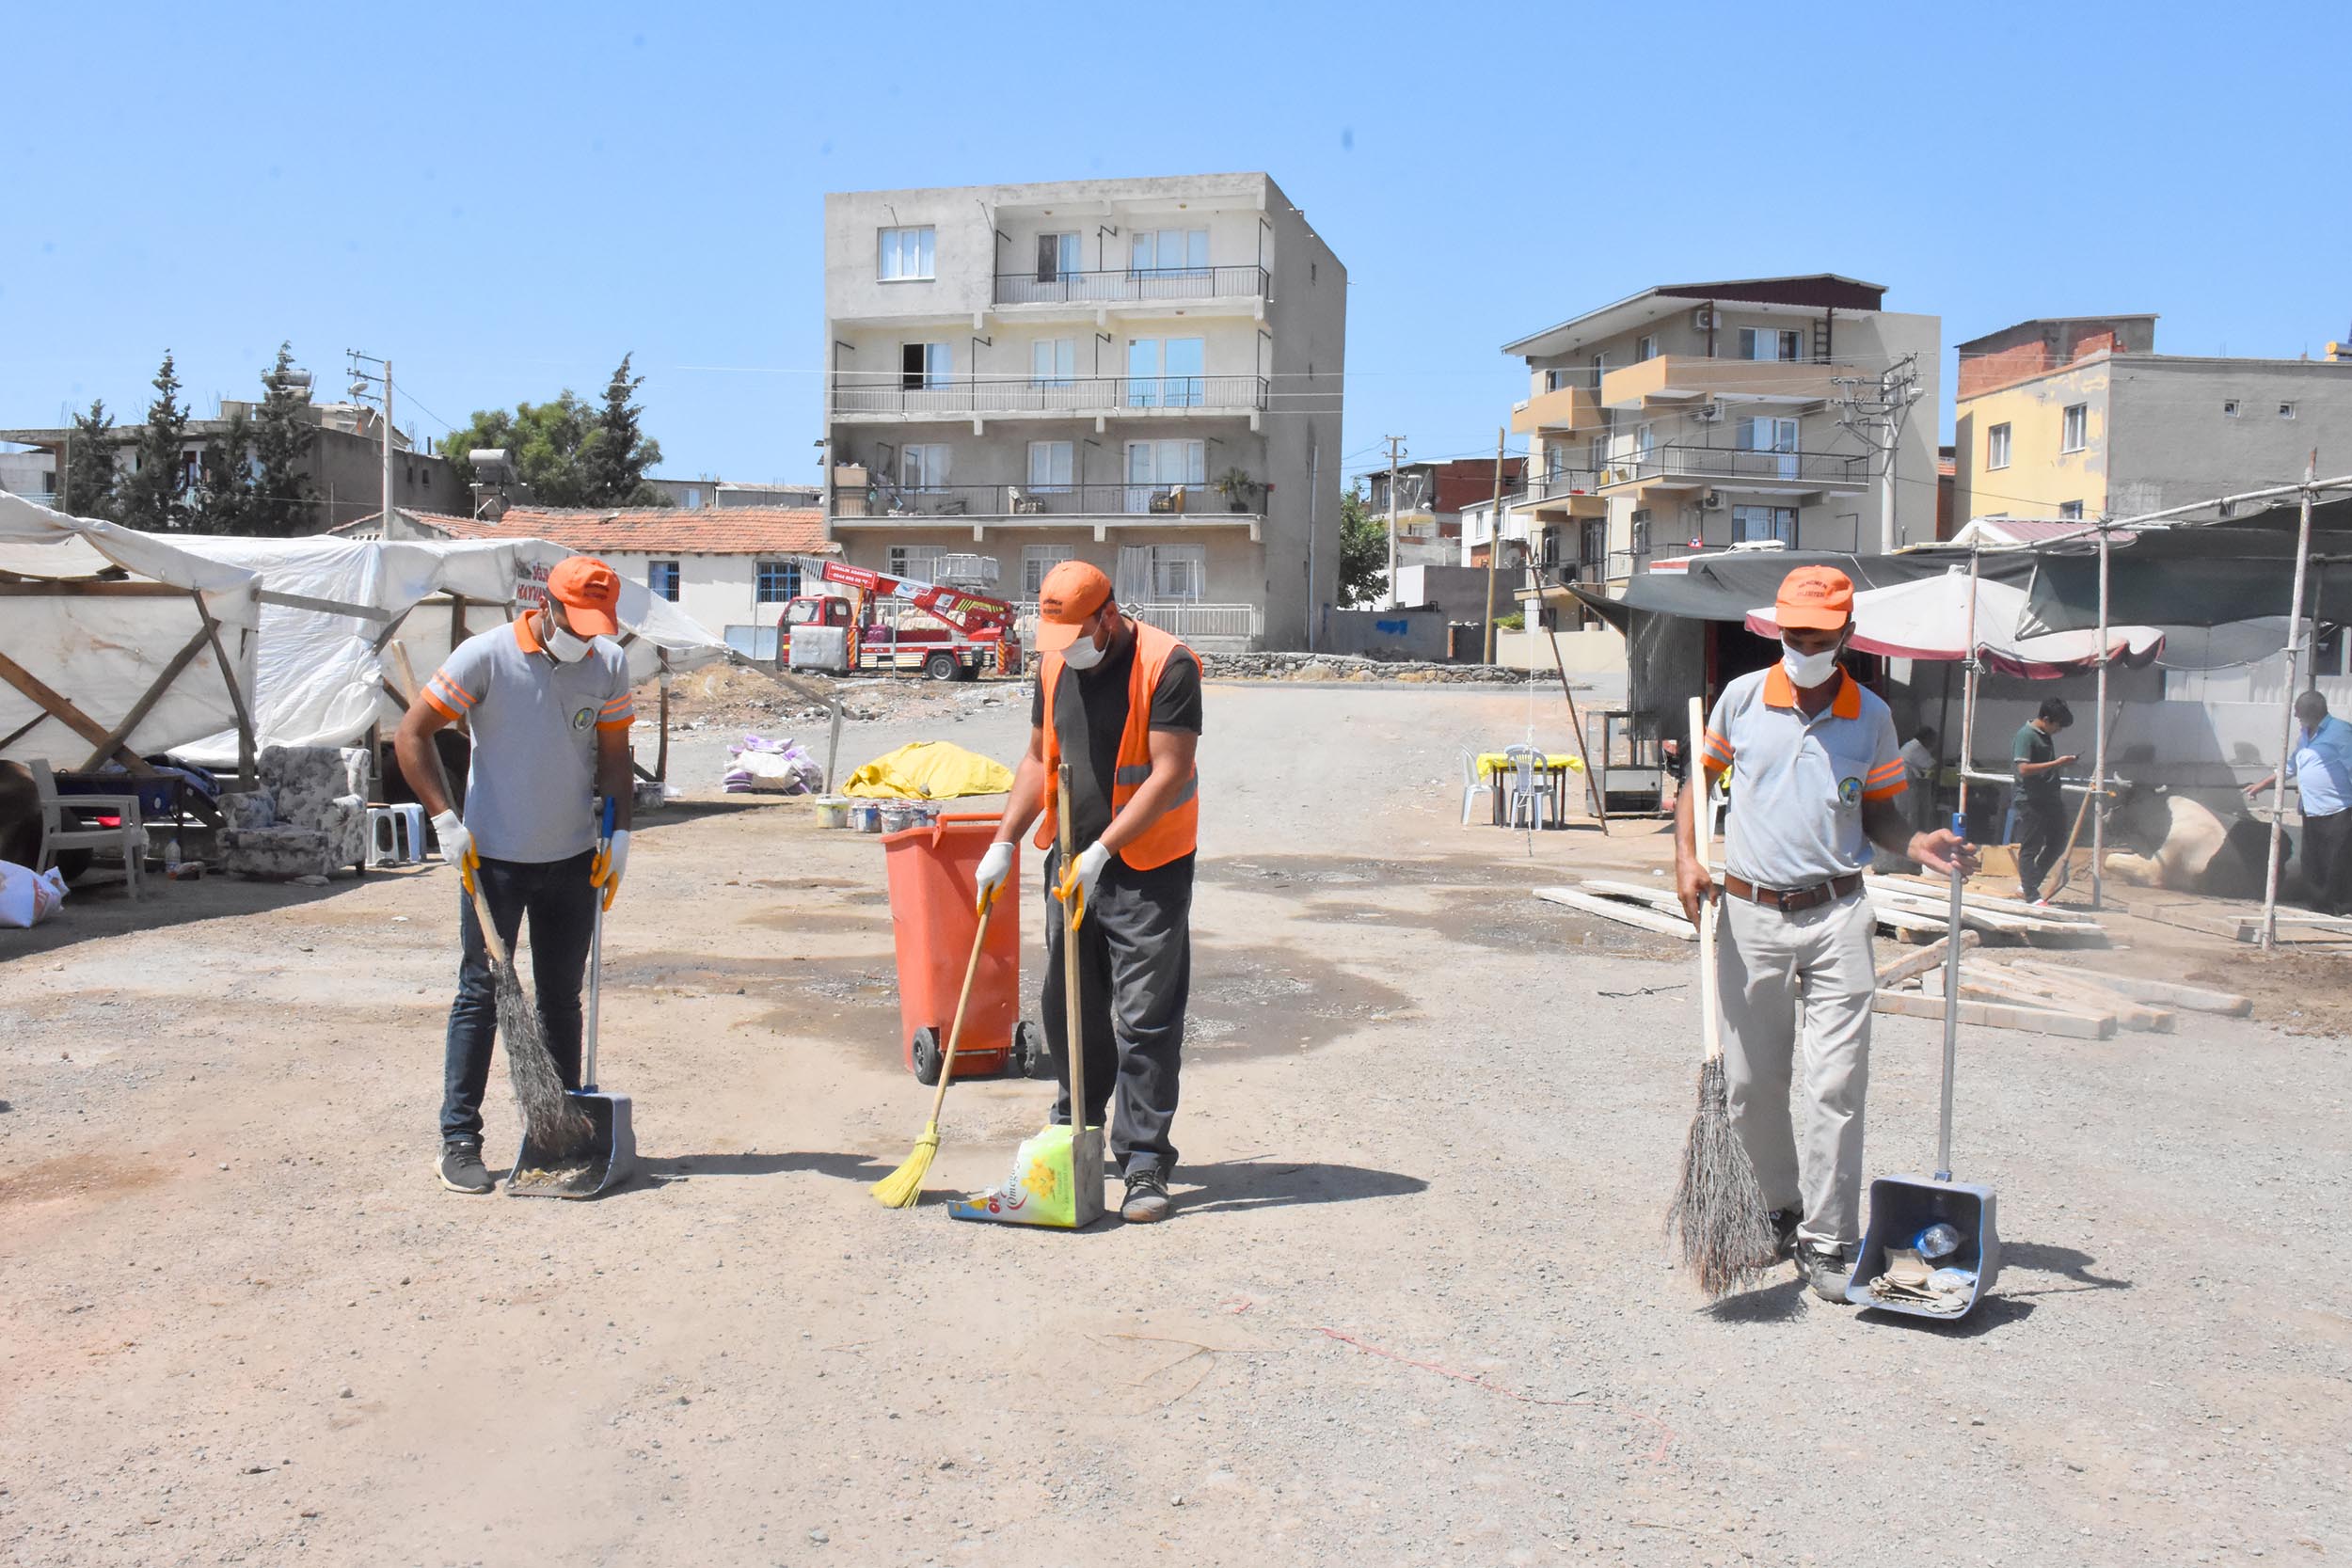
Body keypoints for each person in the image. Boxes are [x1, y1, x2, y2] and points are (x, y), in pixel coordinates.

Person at [1675, 565, 1977, 1302]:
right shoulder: (1742, 700)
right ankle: (1780, 1206)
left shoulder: (1871, 715)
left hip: (1839, 913)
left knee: (1836, 1083)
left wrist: (1919, 844)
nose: (1802, 646)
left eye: (1817, 636)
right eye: (1792, 633)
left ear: (1845, 635)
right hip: (1749, 913)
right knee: (1749, 1084)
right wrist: (1685, 856)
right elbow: (1699, 783)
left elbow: (1879, 816)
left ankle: (1830, 1237)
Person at [392, 558, 637, 1195]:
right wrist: (445, 820)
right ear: (547, 604)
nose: (584, 637)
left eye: (595, 626)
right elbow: (411, 735)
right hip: (493, 862)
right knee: (482, 996)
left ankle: (559, 1133)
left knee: (561, 1000)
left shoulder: (608, 665)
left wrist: (619, 835)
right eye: (575, 622)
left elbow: (615, 758)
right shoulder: (486, 657)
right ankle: (459, 1140)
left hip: (571, 863)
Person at [975, 561, 1201, 1224]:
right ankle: (1079, 1115)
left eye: (1076, 633)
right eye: (1056, 637)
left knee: (1144, 1015)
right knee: (1068, 1001)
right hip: (1072, 859)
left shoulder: (1168, 664)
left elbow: (1169, 771)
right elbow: (1039, 756)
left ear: (1109, 614)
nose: (1065, 650)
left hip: (1148, 864)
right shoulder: (1052, 665)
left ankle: (1144, 1162)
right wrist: (1004, 839)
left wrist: (1108, 849)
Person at [2246, 689, 2352, 916]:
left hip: (2340, 809)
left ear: (2313, 711)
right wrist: (2263, 784)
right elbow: (2291, 765)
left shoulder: (2340, 732)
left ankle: (2342, 908)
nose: (2295, 717)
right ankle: (2319, 907)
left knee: (2338, 861)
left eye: (2298, 712)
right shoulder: (2305, 735)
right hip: (2312, 808)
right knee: (2312, 861)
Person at [2011, 698, 2077, 903]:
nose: (2058, 730)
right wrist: (2056, 763)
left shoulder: (2045, 735)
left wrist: (2059, 765)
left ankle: (2028, 884)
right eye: (2057, 725)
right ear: (2047, 719)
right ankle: (2031, 895)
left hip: (2050, 798)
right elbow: (2023, 769)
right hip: (2032, 799)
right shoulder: (2026, 735)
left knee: (2058, 842)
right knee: (2031, 847)